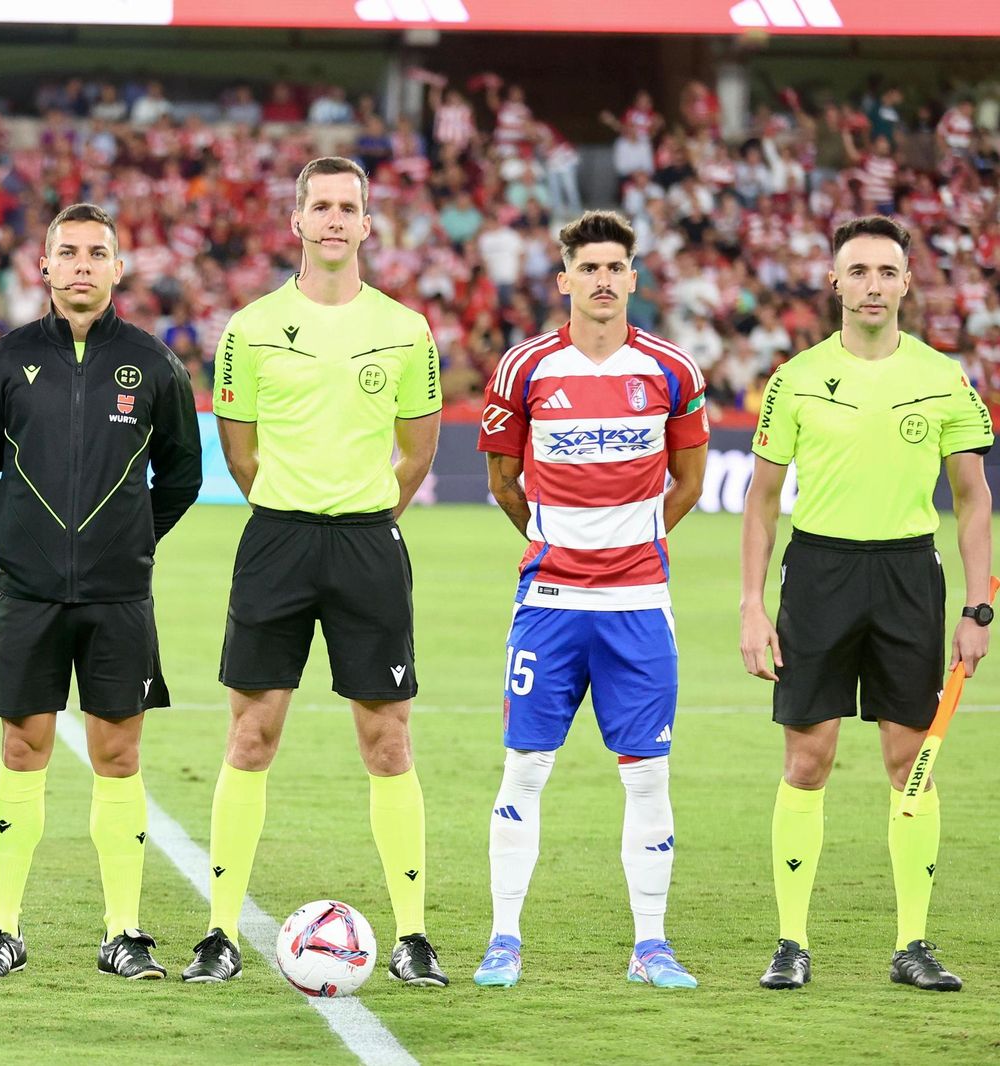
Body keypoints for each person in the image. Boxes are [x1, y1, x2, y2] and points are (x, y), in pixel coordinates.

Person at [181, 156, 446, 986]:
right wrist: (295, 512)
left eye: (348, 207)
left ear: (367, 223)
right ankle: (221, 933)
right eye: (320, 206)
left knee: (388, 739)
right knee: (250, 735)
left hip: (368, 544)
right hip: (277, 542)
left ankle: (412, 936)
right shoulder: (251, 328)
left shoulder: (406, 329)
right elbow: (240, 451)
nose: (334, 219)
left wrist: (365, 517)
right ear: (296, 221)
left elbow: (417, 452)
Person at [741, 215, 993, 992]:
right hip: (818, 574)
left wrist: (977, 608)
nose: (873, 285)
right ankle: (791, 943)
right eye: (859, 271)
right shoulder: (796, 378)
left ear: (908, 282)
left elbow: (973, 500)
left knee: (909, 761)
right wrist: (752, 604)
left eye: (887, 271)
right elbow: (761, 501)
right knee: (807, 759)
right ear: (835, 281)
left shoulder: (944, 378)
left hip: (908, 577)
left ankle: (912, 944)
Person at [0, 203, 203, 980]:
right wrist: (16, 540)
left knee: (118, 753)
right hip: (26, 593)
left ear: (118, 268)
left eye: (98, 252)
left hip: (118, 594)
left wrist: (127, 542)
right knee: (21, 748)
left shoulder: (155, 365)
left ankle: (122, 932)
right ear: (46, 266)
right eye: (69, 252)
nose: (83, 265)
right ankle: (2, 930)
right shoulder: (2, 362)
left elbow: (182, 476)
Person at [472, 210, 708, 990]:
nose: (602, 280)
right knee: (525, 768)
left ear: (633, 278)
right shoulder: (524, 368)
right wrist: (559, 542)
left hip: (638, 604)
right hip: (550, 601)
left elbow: (690, 482)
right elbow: (503, 481)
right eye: (589, 267)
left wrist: (633, 543)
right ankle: (504, 940)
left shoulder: (672, 370)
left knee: (647, 776)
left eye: (615, 267)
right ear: (565, 279)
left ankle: (652, 946)